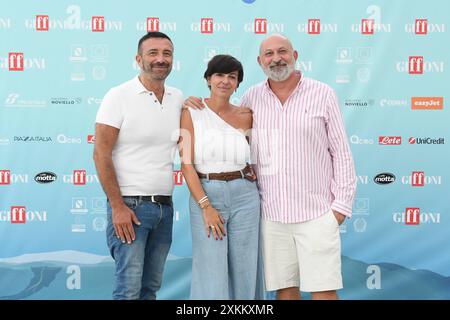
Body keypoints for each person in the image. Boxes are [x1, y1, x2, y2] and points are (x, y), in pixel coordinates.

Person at [184, 34, 356, 300]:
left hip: (317, 212)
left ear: (295, 55)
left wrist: (340, 208)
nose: (276, 58)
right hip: (272, 214)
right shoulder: (252, 99)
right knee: (284, 290)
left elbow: (341, 152)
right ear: (260, 61)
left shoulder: (323, 93)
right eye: (269, 54)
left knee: (323, 289)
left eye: (282, 52)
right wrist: (192, 103)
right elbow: (228, 142)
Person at [93, 32, 183, 300]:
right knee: (128, 289)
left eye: (166, 54)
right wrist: (117, 206)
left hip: (164, 209)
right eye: (153, 53)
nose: (160, 59)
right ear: (138, 58)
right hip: (130, 208)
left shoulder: (178, 98)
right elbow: (100, 154)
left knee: (150, 288)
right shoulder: (118, 95)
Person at [179, 54, 264, 299]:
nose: (225, 81)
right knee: (211, 270)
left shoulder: (247, 115)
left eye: (232, 77)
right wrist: (206, 206)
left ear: (238, 83)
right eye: (219, 75)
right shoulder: (191, 111)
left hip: (245, 196)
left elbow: (253, 156)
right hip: (207, 194)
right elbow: (187, 165)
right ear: (208, 79)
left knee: (246, 268)